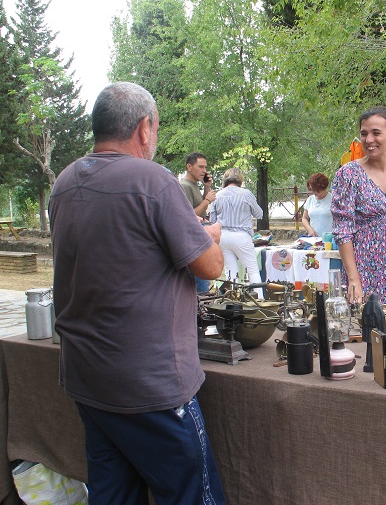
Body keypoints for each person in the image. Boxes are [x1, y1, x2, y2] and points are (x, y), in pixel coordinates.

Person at [49, 82, 226, 504]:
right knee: (191, 495)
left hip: (87, 376)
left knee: (112, 495)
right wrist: (210, 235)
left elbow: (120, 249)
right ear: (144, 129)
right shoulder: (153, 180)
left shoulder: (64, 182)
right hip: (150, 383)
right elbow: (210, 266)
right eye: (157, 128)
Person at [331, 106, 386, 306]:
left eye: (376, 133)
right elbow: (343, 231)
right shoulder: (349, 175)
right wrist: (354, 279)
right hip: (364, 269)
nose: (369, 140)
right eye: (364, 133)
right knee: (367, 331)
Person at [210, 167, 264, 298]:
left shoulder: (218, 195)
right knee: (252, 269)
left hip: (223, 236)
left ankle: (233, 299)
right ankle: (260, 300)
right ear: (240, 179)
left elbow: (212, 219)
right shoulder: (246, 194)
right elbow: (259, 214)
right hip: (241, 235)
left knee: (230, 270)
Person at [180, 152, 218, 293]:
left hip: (200, 240)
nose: (204, 171)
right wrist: (207, 200)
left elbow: (199, 209)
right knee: (200, 283)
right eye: (200, 167)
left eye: (205, 167)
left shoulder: (194, 185)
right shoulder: (185, 186)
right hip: (194, 243)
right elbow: (190, 216)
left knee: (203, 281)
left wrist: (206, 187)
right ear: (189, 167)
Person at [301, 172, 332, 237]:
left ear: (323, 187)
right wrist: (310, 230)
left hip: (330, 239)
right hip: (314, 239)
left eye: (317, 190)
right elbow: (304, 218)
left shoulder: (333, 199)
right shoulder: (310, 199)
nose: (314, 192)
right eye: (312, 190)